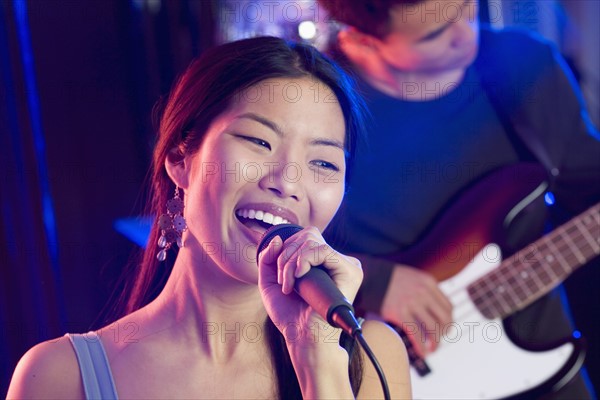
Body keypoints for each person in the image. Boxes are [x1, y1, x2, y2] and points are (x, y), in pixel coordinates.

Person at [7, 36, 411, 399]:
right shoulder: (58, 377)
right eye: (258, 141)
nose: (288, 182)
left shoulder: (371, 358)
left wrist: (317, 357)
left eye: (323, 162)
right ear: (180, 160)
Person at [318, 0, 599, 398]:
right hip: (391, 373)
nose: (468, 35)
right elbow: (259, 240)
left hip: (545, 366)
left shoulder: (527, 65)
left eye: (468, 8)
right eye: (435, 33)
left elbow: (587, 186)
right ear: (361, 38)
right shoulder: (315, 99)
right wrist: (374, 281)